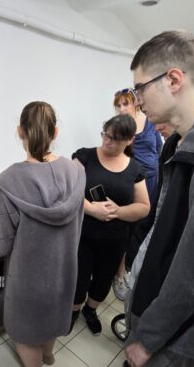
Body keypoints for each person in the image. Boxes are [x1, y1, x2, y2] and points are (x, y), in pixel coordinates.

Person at [124, 30, 194, 367]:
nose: (138, 101)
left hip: (175, 337)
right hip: (153, 312)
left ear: (174, 80)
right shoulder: (176, 144)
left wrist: (149, 338)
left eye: (140, 89)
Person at [0, 101, 85, 367]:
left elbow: (1, 246)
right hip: (63, 273)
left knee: (26, 336)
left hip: (29, 283)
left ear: (20, 132)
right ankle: (48, 356)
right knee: (51, 320)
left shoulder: (10, 181)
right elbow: (78, 224)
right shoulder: (76, 171)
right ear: (55, 133)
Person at [70, 114, 150, 336]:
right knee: (78, 279)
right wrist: (91, 208)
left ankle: (90, 310)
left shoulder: (135, 169)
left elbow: (144, 207)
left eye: (115, 139)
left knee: (103, 280)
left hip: (115, 240)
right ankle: (73, 311)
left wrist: (118, 211)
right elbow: (68, 191)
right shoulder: (85, 157)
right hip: (83, 235)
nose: (107, 141)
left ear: (129, 140)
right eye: (106, 135)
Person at [112, 92, 163, 300]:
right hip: (132, 181)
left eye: (125, 103)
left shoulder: (150, 121)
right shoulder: (119, 126)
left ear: (135, 103)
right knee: (127, 227)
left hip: (152, 179)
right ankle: (119, 274)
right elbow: (115, 154)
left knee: (145, 225)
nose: (122, 108)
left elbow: (159, 149)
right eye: (118, 105)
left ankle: (132, 267)